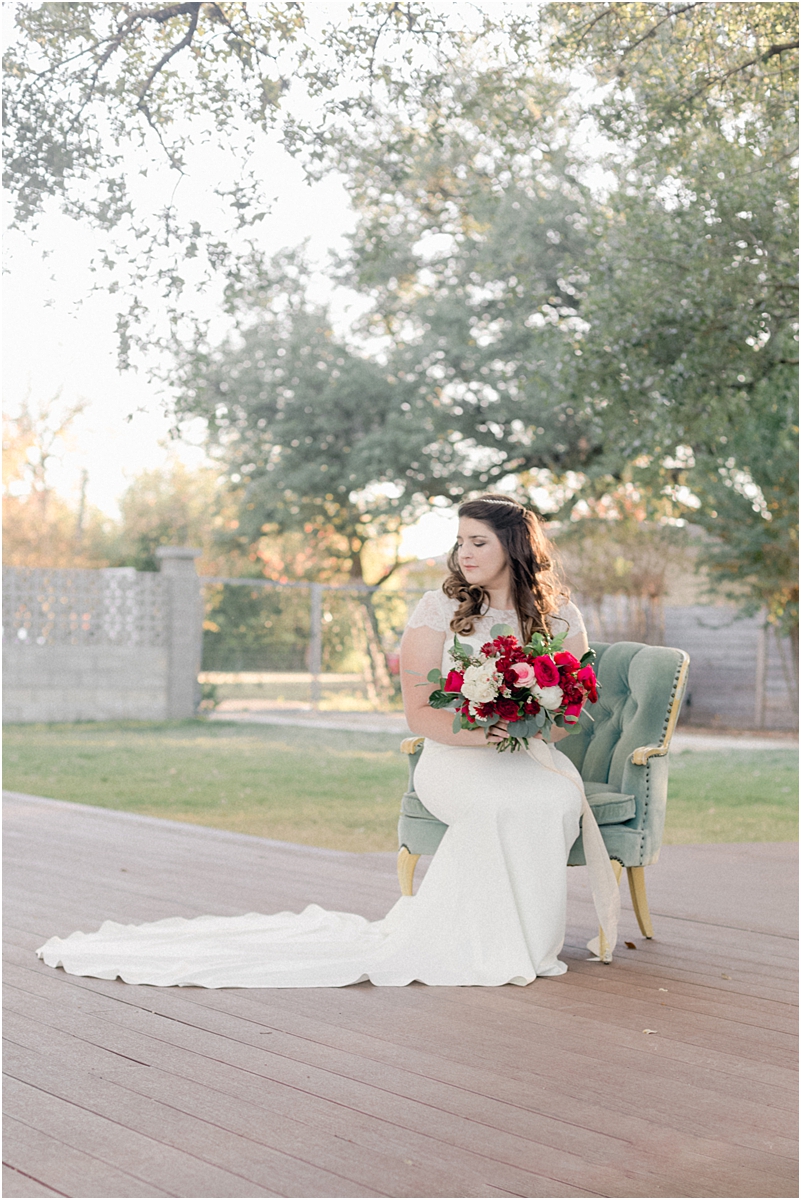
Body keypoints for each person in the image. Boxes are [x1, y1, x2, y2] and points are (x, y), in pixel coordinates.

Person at [37, 494, 617, 988]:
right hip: (453, 756)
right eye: (460, 541)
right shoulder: (440, 608)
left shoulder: (558, 616)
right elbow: (419, 712)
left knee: (549, 799)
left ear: (514, 548)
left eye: (478, 542)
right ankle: (475, 942)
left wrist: (531, 721)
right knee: (498, 804)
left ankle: (525, 945)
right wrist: (479, 729)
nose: (463, 554)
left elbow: (571, 705)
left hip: (524, 755)